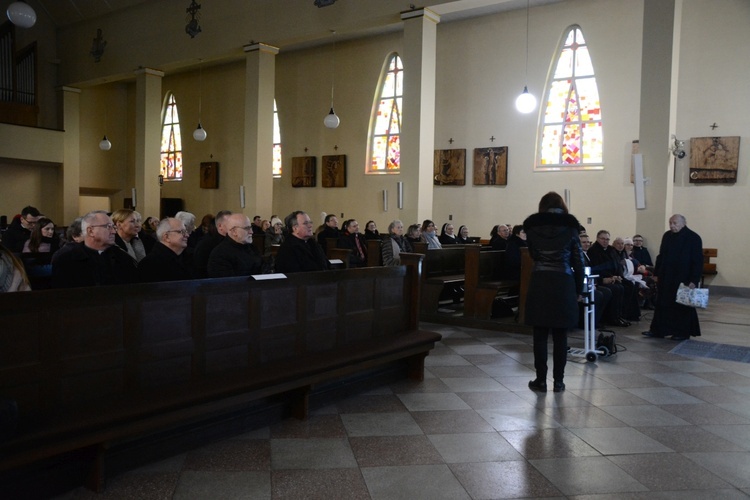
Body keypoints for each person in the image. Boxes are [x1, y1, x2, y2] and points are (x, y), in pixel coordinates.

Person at [523, 192, 585, 393]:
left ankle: (540, 380)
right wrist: (579, 289)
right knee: (561, 334)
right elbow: (578, 261)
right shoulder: (571, 228)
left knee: (539, 334)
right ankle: (559, 381)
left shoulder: (532, 227)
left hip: (540, 281)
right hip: (563, 283)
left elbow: (533, 254)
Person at [642, 214, 704, 340]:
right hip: (666, 276)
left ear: (683, 223)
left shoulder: (693, 237)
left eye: (675, 223)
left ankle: (681, 332)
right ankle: (658, 330)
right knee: (662, 304)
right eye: (670, 223)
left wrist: (694, 279)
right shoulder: (667, 236)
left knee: (681, 305)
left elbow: (697, 261)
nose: (672, 225)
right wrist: (656, 274)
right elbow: (661, 256)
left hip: (684, 277)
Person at [51, 210, 137, 288]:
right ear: (90, 231)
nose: (114, 231)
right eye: (108, 227)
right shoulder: (66, 259)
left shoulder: (122, 257)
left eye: (113, 227)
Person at [138, 218, 195, 282]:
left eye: (186, 232)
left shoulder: (188, 258)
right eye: (181, 232)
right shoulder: (150, 265)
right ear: (166, 237)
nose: (187, 235)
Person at [207, 213, 264, 278]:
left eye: (251, 227)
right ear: (234, 231)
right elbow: (226, 283)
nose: (251, 232)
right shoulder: (219, 254)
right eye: (247, 228)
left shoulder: (253, 248)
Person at [194, 210, 232, 278]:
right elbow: (200, 268)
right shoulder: (206, 244)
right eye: (231, 224)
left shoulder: (231, 241)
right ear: (220, 226)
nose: (234, 227)